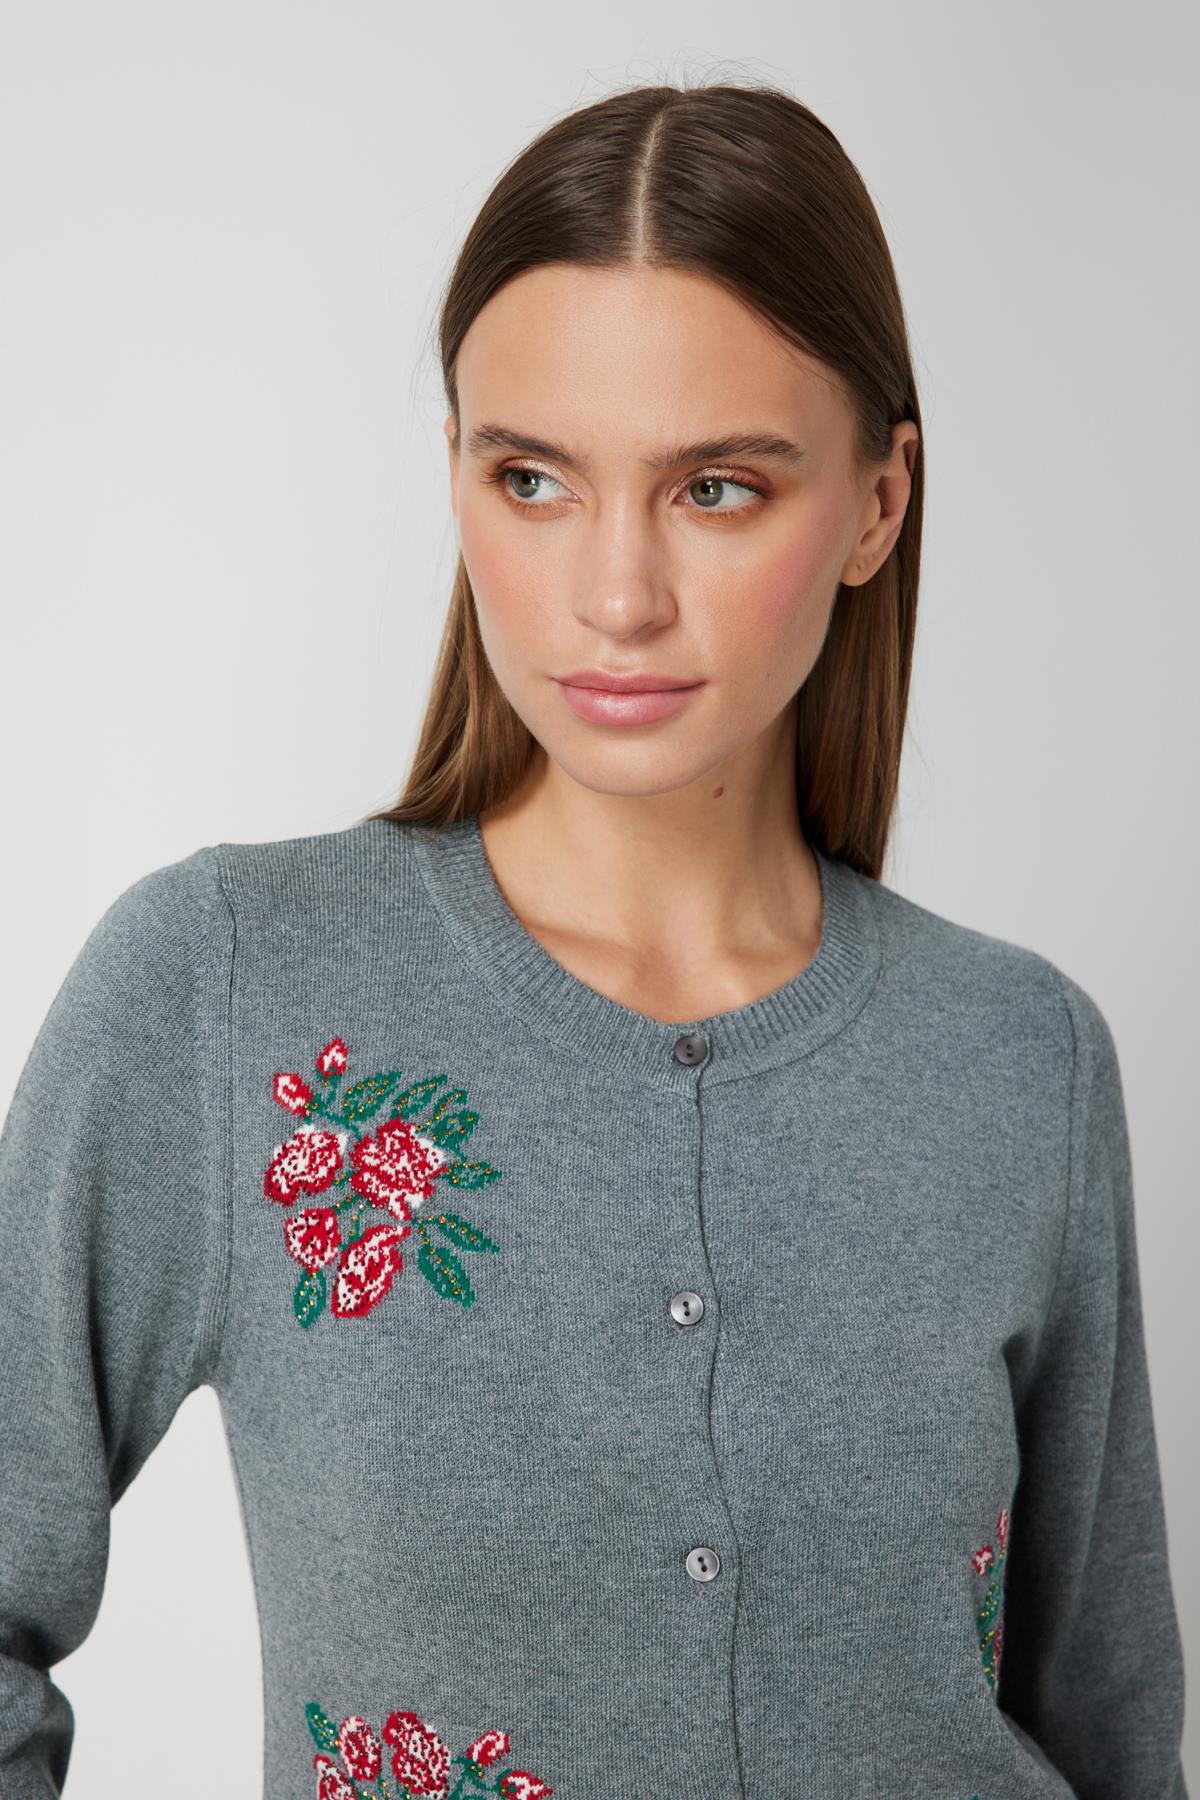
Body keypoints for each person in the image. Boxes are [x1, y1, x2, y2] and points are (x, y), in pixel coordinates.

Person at [0, 78, 1189, 1800]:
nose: (616, 595)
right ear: (459, 477)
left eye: (717, 487)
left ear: (876, 503)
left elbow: (1113, 1730)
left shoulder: (1022, 1057)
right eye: (535, 477)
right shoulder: (230, 984)